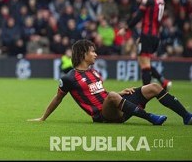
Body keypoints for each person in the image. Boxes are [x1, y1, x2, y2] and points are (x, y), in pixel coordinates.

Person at [28, 39, 192, 125]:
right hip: (103, 115)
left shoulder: (94, 71)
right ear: (83, 54)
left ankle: (186, 117)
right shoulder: (69, 78)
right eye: (93, 52)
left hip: (115, 105)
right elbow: (57, 99)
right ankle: (151, 118)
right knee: (113, 95)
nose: (96, 54)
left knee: (154, 87)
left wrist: (122, 93)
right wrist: (43, 118)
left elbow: (102, 94)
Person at [117, 0, 172, 90]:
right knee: (144, 61)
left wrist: (126, 28)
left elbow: (139, 15)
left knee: (144, 63)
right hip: (155, 35)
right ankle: (163, 81)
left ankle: (145, 93)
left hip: (147, 34)